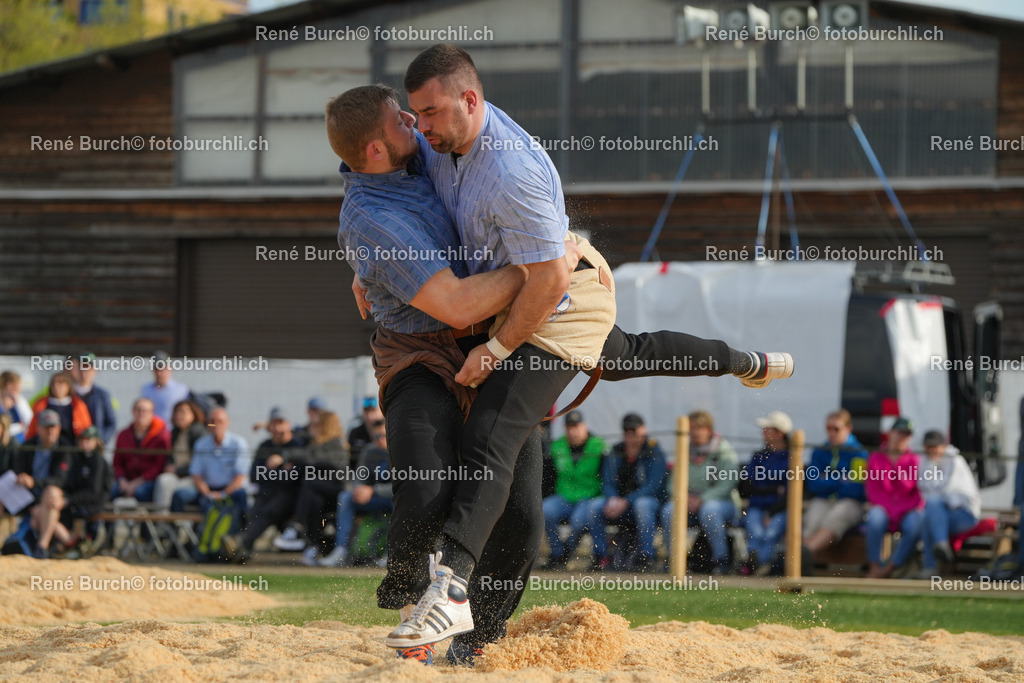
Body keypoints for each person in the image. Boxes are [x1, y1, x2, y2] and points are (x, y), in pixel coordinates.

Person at [330, 72, 794, 659]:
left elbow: (540, 278)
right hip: (436, 341)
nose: (417, 127)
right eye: (406, 118)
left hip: (538, 306)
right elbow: (449, 295)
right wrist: (371, 265)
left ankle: (474, 642)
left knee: (518, 505)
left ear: (465, 104)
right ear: (377, 151)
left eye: (421, 115)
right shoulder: (415, 166)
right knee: (441, 476)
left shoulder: (492, 162)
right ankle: (423, 594)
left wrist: (553, 260)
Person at [661, 410, 740, 575]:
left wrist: (703, 499)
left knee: (709, 510)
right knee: (669, 511)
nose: (695, 432)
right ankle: (675, 559)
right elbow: (672, 483)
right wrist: (683, 498)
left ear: (709, 429)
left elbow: (728, 484)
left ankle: (721, 561)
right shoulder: (684, 449)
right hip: (687, 502)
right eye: (692, 428)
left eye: (699, 428)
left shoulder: (724, 451)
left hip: (721, 503)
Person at [222, 407, 305, 559]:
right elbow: (254, 475)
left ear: (288, 425)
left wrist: (279, 464)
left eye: (281, 423)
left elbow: (294, 477)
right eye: (274, 423)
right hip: (266, 493)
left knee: (269, 510)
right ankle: (243, 549)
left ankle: (242, 542)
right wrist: (280, 471)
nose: (277, 428)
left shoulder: (297, 445)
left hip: (289, 497)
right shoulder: (265, 446)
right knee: (255, 510)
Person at [588, 413, 666, 572]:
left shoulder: (654, 450)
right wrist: (612, 499)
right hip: (619, 502)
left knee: (642, 505)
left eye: (634, 431)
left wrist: (627, 501)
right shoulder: (616, 451)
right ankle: (601, 556)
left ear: (643, 430)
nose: (631, 436)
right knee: (594, 507)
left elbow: (653, 486)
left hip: (647, 502)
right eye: (627, 432)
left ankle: (646, 556)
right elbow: (607, 480)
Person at [274, 411, 350, 563]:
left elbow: (317, 459)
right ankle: (312, 547)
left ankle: (298, 527)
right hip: (320, 492)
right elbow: (306, 454)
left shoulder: (336, 444)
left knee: (309, 483)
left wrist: (286, 456)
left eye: (316, 424)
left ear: (325, 426)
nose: (312, 427)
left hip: (337, 491)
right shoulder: (316, 443)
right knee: (314, 500)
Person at [320, 418, 394, 567]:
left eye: (383, 435)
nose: (380, 440)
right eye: (376, 436)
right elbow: (359, 476)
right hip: (371, 498)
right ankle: (341, 550)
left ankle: (391, 553)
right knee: (345, 497)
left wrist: (372, 490)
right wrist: (359, 490)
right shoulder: (369, 450)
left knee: (400, 500)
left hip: (391, 497)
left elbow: (402, 485)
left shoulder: (400, 452)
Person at [540, 410, 606, 570]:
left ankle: (566, 551)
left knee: (578, 521)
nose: (573, 431)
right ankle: (557, 554)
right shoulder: (557, 447)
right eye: (569, 427)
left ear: (585, 427)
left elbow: (607, 477)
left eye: (576, 426)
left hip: (589, 497)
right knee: (545, 510)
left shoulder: (599, 446)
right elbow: (549, 477)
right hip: (564, 497)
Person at [803, 409, 868, 562]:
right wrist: (841, 479)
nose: (831, 433)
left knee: (836, 516)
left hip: (851, 503)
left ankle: (802, 554)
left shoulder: (860, 454)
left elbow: (856, 489)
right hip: (823, 500)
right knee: (812, 518)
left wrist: (827, 479)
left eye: (836, 429)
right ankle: (802, 559)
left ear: (848, 429)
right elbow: (813, 485)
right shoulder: (819, 451)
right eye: (828, 428)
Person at [916, 430, 980, 578]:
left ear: (943, 446)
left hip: (965, 514)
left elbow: (941, 490)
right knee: (926, 519)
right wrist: (931, 464)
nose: (931, 451)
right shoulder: (925, 461)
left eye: (935, 447)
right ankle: (931, 567)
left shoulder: (954, 460)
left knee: (932, 505)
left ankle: (941, 545)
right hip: (943, 514)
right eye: (928, 447)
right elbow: (924, 488)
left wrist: (931, 465)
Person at [864, 418, 923, 579]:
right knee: (875, 517)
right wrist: (892, 510)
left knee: (916, 523)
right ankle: (874, 566)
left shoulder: (915, 460)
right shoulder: (876, 457)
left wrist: (900, 510)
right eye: (899, 433)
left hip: (906, 510)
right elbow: (872, 491)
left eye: (906, 435)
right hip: (884, 509)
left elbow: (920, 493)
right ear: (890, 433)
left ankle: (890, 567)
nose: (902, 438)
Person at [11, 410, 72, 557]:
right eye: (46, 427)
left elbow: (60, 480)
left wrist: (33, 482)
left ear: (58, 428)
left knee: (51, 493)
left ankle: (42, 546)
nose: (50, 431)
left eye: (53, 427)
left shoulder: (65, 446)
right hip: (32, 500)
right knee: (41, 512)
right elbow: (17, 474)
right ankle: (67, 541)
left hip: (57, 500)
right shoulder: (28, 446)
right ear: (38, 428)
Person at [738, 411, 791, 575]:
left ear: (779, 433)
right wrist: (774, 489)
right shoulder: (758, 457)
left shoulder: (791, 458)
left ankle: (755, 565)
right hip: (757, 506)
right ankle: (760, 565)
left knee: (770, 533)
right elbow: (745, 487)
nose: (763, 433)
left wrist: (771, 511)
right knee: (756, 532)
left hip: (779, 509)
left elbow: (790, 493)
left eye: (767, 429)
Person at [171, 407, 249, 515]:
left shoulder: (238, 443)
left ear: (227, 423)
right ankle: (176, 529)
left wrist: (222, 494)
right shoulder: (201, 444)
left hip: (231, 490)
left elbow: (240, 477)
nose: (216, 425)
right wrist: (208, 493)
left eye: (220, 421)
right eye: (212, 422)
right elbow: (196, 475)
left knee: (242, 496)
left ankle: (243, 530)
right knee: (179, 496)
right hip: (207, 489)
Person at [62, 426, 113, 547]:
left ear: (96, 441)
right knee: (66, 510)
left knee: (78, 512)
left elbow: (94, 492)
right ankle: (71, 543)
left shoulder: (98, 461)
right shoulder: (77, 459)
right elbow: (71, 484)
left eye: (88, 440)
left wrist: (68, 500)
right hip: (82, 499)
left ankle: (79, 544)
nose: (84, 443)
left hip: (95, 502)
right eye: (82, 440)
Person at [112, 398, 170, 502]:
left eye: (145, 411)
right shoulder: (123, 435)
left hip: (148, 481)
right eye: (138, 410)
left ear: (152, 414)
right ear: (133, 412)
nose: (141, 414)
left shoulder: (161, 436)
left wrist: (138, 482)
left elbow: (158, 466)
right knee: (111, 490)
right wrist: (122, 480)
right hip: (126, 479)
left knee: (141, 492)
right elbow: (117, 463)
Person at [153, 399, 207, 510]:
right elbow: (169, 456)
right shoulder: (174, 433)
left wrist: (178, 470)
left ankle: (174, 523)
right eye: (177, 412)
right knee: (163, 481)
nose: (179, 415)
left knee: (175, 491)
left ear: (193, 414)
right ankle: (162, 520)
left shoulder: (199, 432)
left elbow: (201, 463)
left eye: (183, 412)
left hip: (195, 477)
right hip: (177, 475)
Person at [25, 372, 92, 442]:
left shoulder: (78, 405)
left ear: (68, 386)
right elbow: (32, 429)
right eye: (54, 383)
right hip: (47, 447)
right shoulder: (41, 405)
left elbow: (86, 429)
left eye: (61, 383)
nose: (56, 386)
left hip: (71, 447)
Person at [69, 352, 117, 445]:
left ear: (95, 371)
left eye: (87, 368)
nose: (84, 372)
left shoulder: (102, 395)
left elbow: (111, 422)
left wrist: (101, 441)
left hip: (95, 449)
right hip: (73, 449)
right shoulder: (68, 394)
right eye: (81, 367)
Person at [141, 350, 191, 424]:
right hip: (153, 431)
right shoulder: (146, 389)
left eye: (162, 369)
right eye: (156, 369)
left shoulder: (181, 390)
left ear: (169, 369)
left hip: (173, 432)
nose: (159, 373)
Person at [1, 370, 34, 443]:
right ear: (9, 386)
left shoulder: (20, 401)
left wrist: (17, 403)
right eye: (19, 385)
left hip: (19, 443)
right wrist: (19, 427)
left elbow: (29, 422)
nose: (20, 388)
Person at [346, 397, 383, 461]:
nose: (370, 416)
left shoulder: (388, 432)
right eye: (366, 412)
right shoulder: (356, 433)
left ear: (381, 412)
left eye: (373, 411)